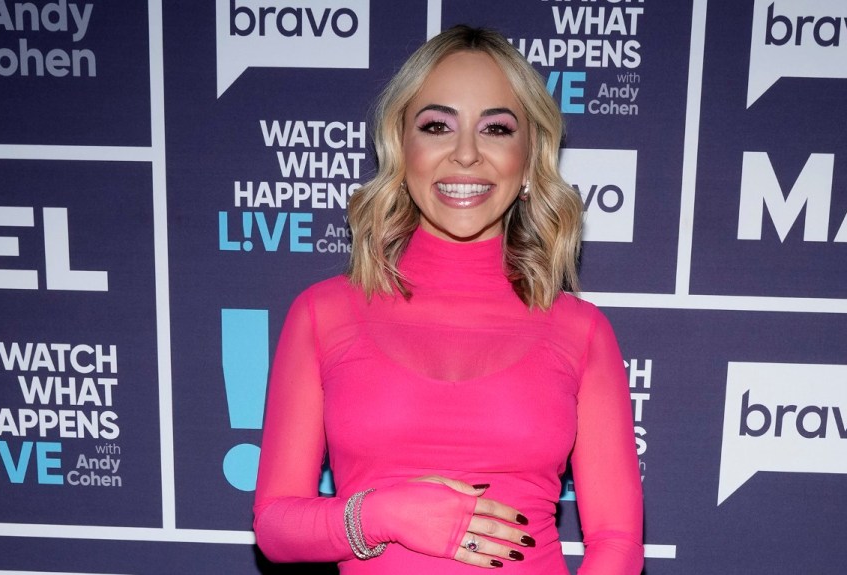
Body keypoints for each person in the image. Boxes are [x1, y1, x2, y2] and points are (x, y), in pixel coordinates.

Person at [253, 25, 643, 574]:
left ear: (529, 161)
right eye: (437, 126)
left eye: (496, 129)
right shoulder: (324, 314)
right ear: (401, 147)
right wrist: (384, 514)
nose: (465, 155)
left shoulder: (581, 331)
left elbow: (618, 543)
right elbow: (275, 525)